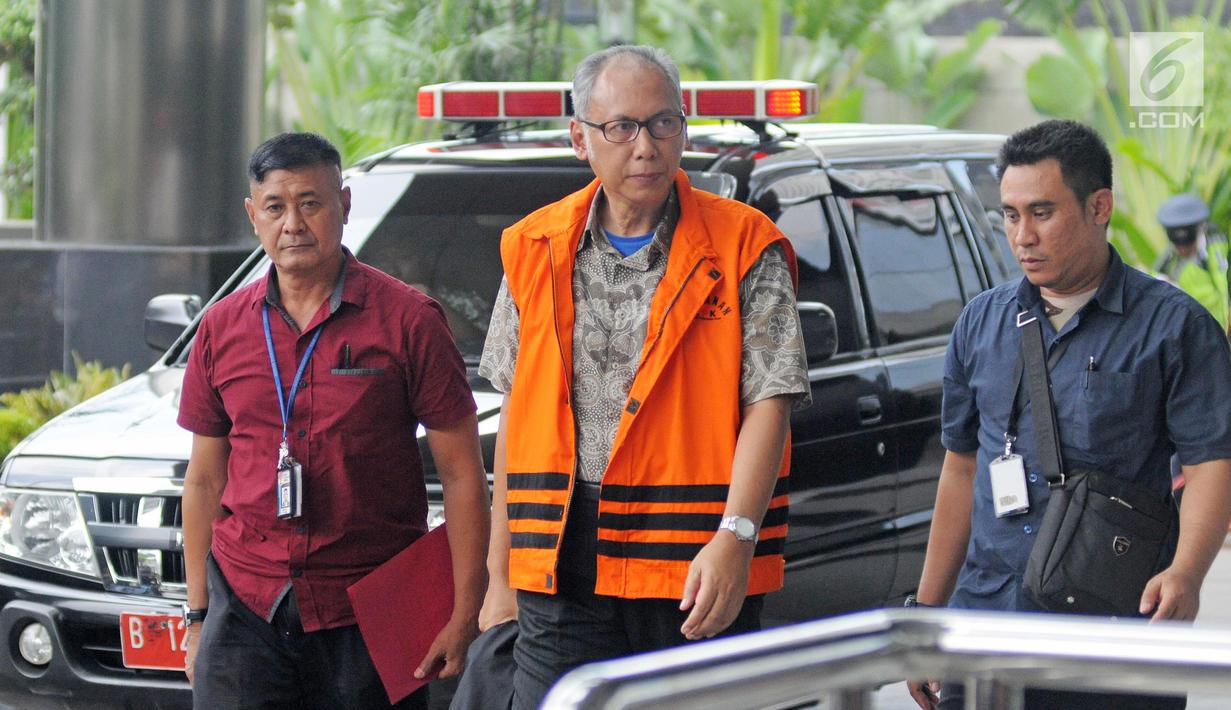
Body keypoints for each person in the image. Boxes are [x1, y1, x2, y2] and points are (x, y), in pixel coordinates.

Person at [473, 45, 809, 709]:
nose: (646, 147)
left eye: (663, 124)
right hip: (561, 565)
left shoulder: (744, 245)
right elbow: (521, 412)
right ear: (580, 139)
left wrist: (735, 539)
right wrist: (500, 573)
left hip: (692, 564)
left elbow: (768, 403)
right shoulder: (533, 247)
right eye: (620, 127)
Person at [906, 120, 1231, 710]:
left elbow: (1212, 462)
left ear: (1099, 206)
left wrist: (1186, 573)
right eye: (1009, 215)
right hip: (987, 620)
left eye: (1042, 212)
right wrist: (927, 612)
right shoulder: (981, 323)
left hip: (1111, 629)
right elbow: (961, 468)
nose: (1022, 236)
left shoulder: (1175, 328)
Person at [177, 132, 490, 709]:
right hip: (246, 606)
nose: (292, 222)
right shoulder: (221, 329)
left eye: (310, 202)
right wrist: (198, 615)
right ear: (253, 216)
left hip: (370, 610)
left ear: (344, 206)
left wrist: (464, 611)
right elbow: (203, 481)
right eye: (275, 206)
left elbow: (465, 476)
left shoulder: (409, 321)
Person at [1154, 192, 1230, 332]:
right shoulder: (1168, 264)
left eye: (1188, 244)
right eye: (1178, 245)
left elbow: (1224, 286)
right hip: (1196, 333)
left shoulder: (1218, 245)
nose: (1182, 250)